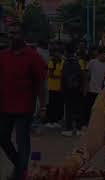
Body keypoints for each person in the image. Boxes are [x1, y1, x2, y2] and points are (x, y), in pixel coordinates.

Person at [0, 21, 47, 180]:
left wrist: (43, 107)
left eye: (15, 33)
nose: (11, 37)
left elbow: (41, 83)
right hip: (5, 106)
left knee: (22, 141)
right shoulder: (3, 56)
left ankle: (20, 174)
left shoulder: (33, 57)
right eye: (9, 33)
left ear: (23, 36)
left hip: (24, 107)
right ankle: (21, 168)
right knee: (3, 138)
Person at [60, 43, 85, 137]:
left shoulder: (65, 62)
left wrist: (62, 88)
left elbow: (63, 77)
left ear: (66, 51)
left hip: (67, 89)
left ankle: (69, 128)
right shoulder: (80, 61)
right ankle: (78, 128)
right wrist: (82, 87)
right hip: (77, 89)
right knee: (78, 108)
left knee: (68, 108)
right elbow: (83, 76)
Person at [83, 47, 105, 127]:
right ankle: (86, 124)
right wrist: (85, 88)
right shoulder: (92, 62)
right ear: (99, 54)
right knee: (89, 108)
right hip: (92, 90)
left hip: (101, 92)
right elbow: (87, 76)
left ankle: (97, 124)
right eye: (104, 54)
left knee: (99, 110)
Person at [46, 45, 64, 128]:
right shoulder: (51, 62)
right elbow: (50, 74)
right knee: (51, 104)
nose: (58, 54)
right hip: (52, 87)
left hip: (59, 87)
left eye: (59, 52)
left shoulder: (62, 61)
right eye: (57, 52)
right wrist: (60, 76)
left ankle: (56, 120)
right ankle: (51, 121)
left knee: (58, 104)